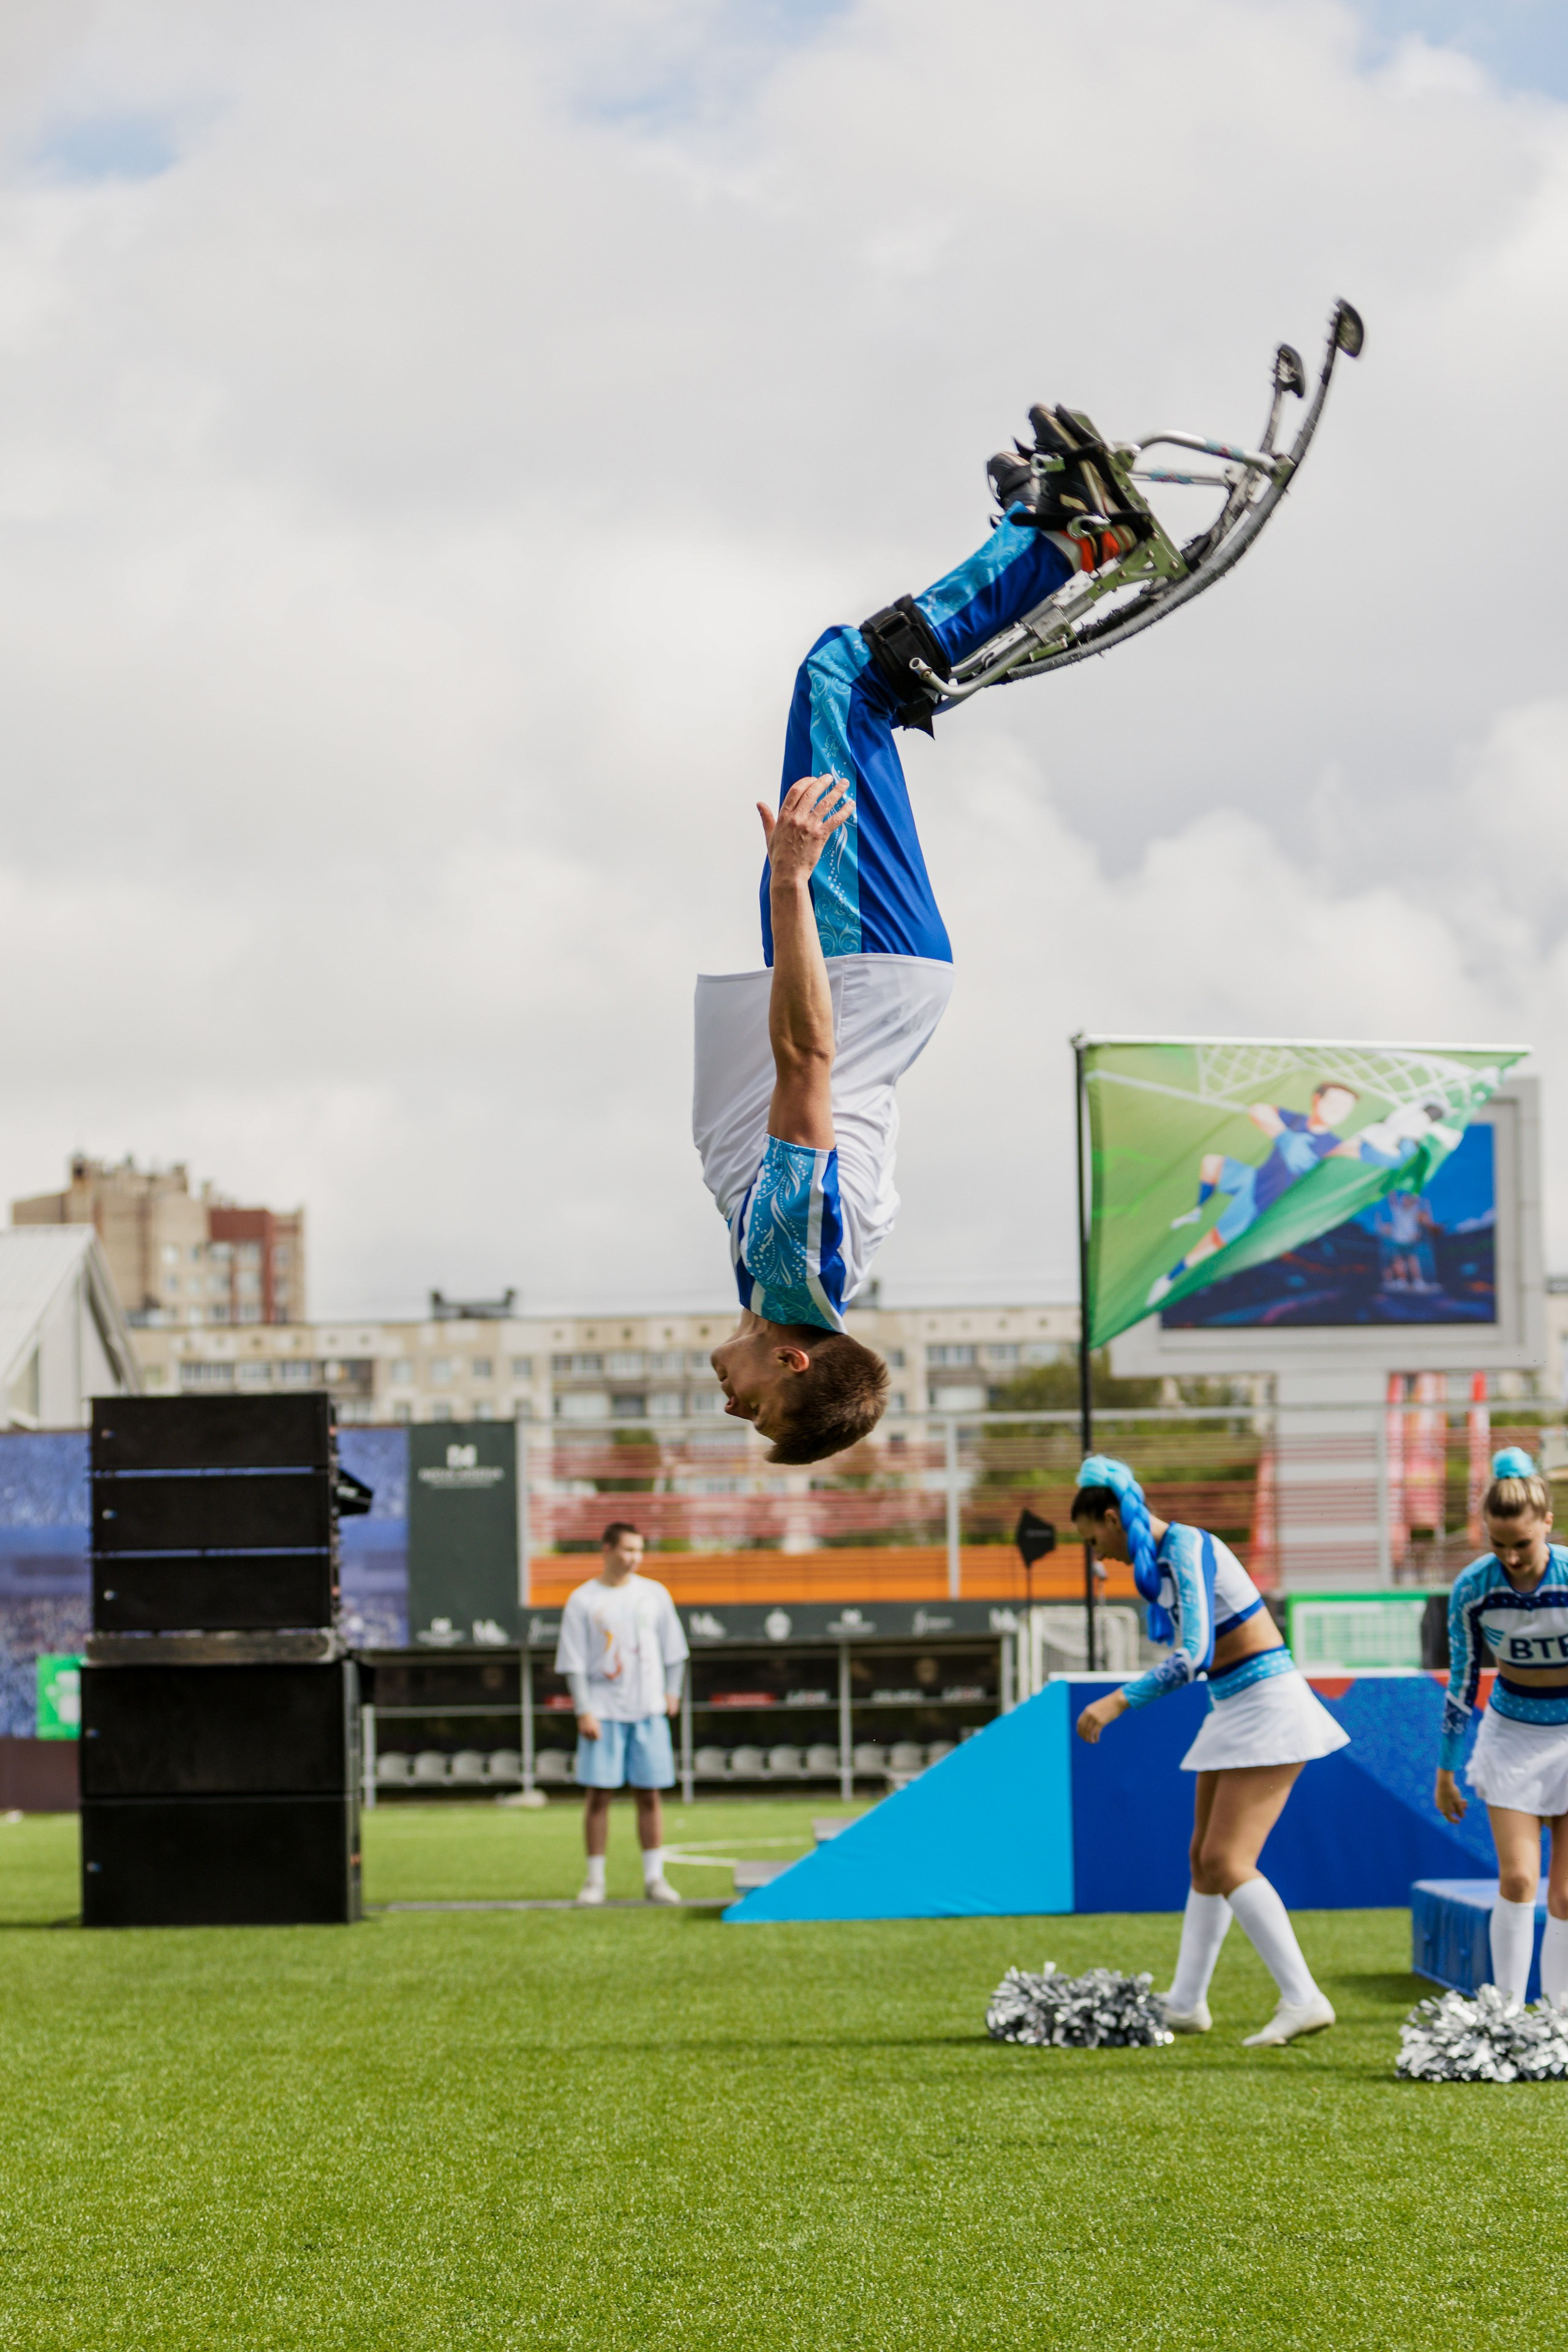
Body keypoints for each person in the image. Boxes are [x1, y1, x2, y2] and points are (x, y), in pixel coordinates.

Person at [697, 408, 1134, 1463]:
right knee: (843, 680)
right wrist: (795, 886)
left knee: (864, 698)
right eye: (755, 1407)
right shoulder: (796, 1263)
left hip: (872, 967)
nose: (731, 1402)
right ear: (792, 1362)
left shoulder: (801, 1275)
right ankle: (1074, 539)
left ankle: (1036, 537)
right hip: (852, 961)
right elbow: (808, 1060)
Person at [1071, 1453, 1348, 2046]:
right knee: (1203, 1858)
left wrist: (1116, 1702)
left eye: (1094, 1539)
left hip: (1270, 1705)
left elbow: (1191, 1655)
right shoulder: (1162, 1563)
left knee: (1227, 1862)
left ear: (1114, 1518)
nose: (1099, 1556)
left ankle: (1303, 1997)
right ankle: (1188, 2002)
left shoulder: (1189, 1545)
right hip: (1235, 1705)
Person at [1434, 1447, 1568, 2004]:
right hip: (1511, 1734)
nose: (1511, 1558)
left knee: (1566, 1894)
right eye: (1498, 1544)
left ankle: (1561, 2020)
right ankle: (1505, 2015)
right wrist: (1446, 1767)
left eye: (1523, 1544)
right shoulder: (1472, 1587)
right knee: (1516, 1880)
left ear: (1547, 1525)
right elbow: (1464, 1679)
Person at [554, 1522, 689, 1907]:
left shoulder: (655, 1595)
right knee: (599, 1796)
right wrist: (584, 1710)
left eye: (639, 1551)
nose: (634, 1558)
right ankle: (595, 1881)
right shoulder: (583, 1600)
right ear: (607, 1550)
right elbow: (574, 1661)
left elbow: (675, 1650)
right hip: (604, 1713)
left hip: (648, 1710)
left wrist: (671, 1692)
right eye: (628, 1550)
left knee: (650, 1795)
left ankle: (654, 1879)